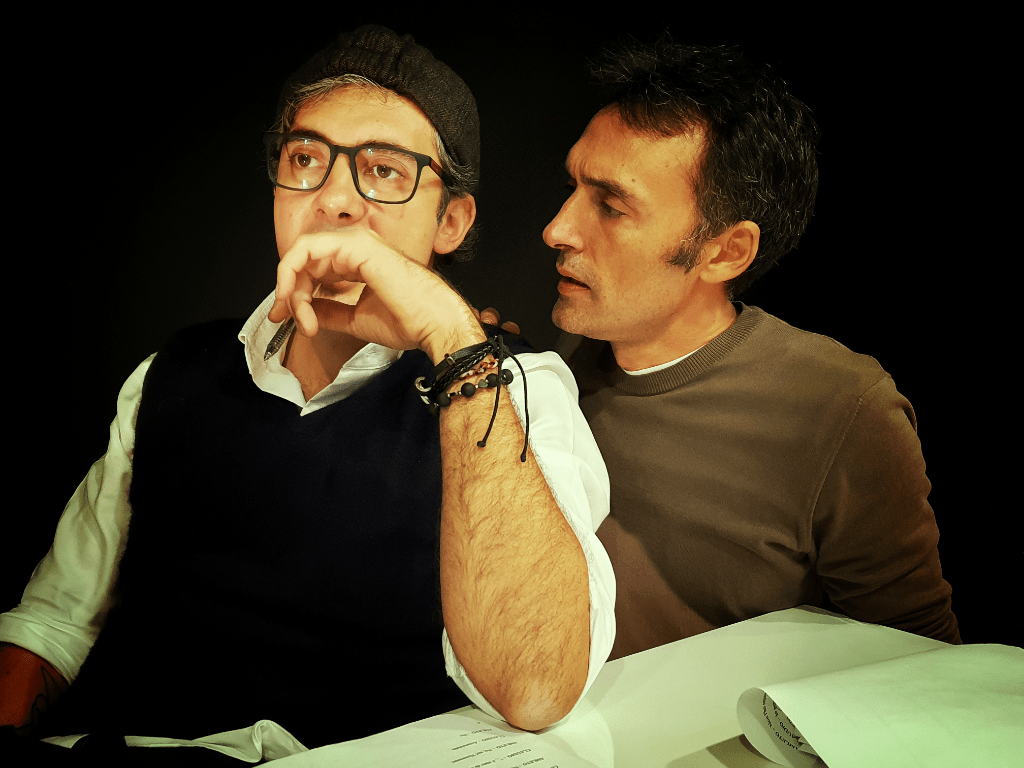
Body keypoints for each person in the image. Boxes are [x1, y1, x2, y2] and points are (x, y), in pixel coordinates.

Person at [0, 25, 615, 762]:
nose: (335, 200)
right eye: (305, 160)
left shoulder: (516, 389)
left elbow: (536, 689)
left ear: (450, 220)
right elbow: (52, 626)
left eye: (384, 171)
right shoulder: (171, 374)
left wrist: (452, 340)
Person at [544, 34, 959, 660]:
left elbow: (921, 668)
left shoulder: (843, 409)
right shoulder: (568, 357)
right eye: (573, 186)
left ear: (724, 252)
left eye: (611, 206)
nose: (557, 228)